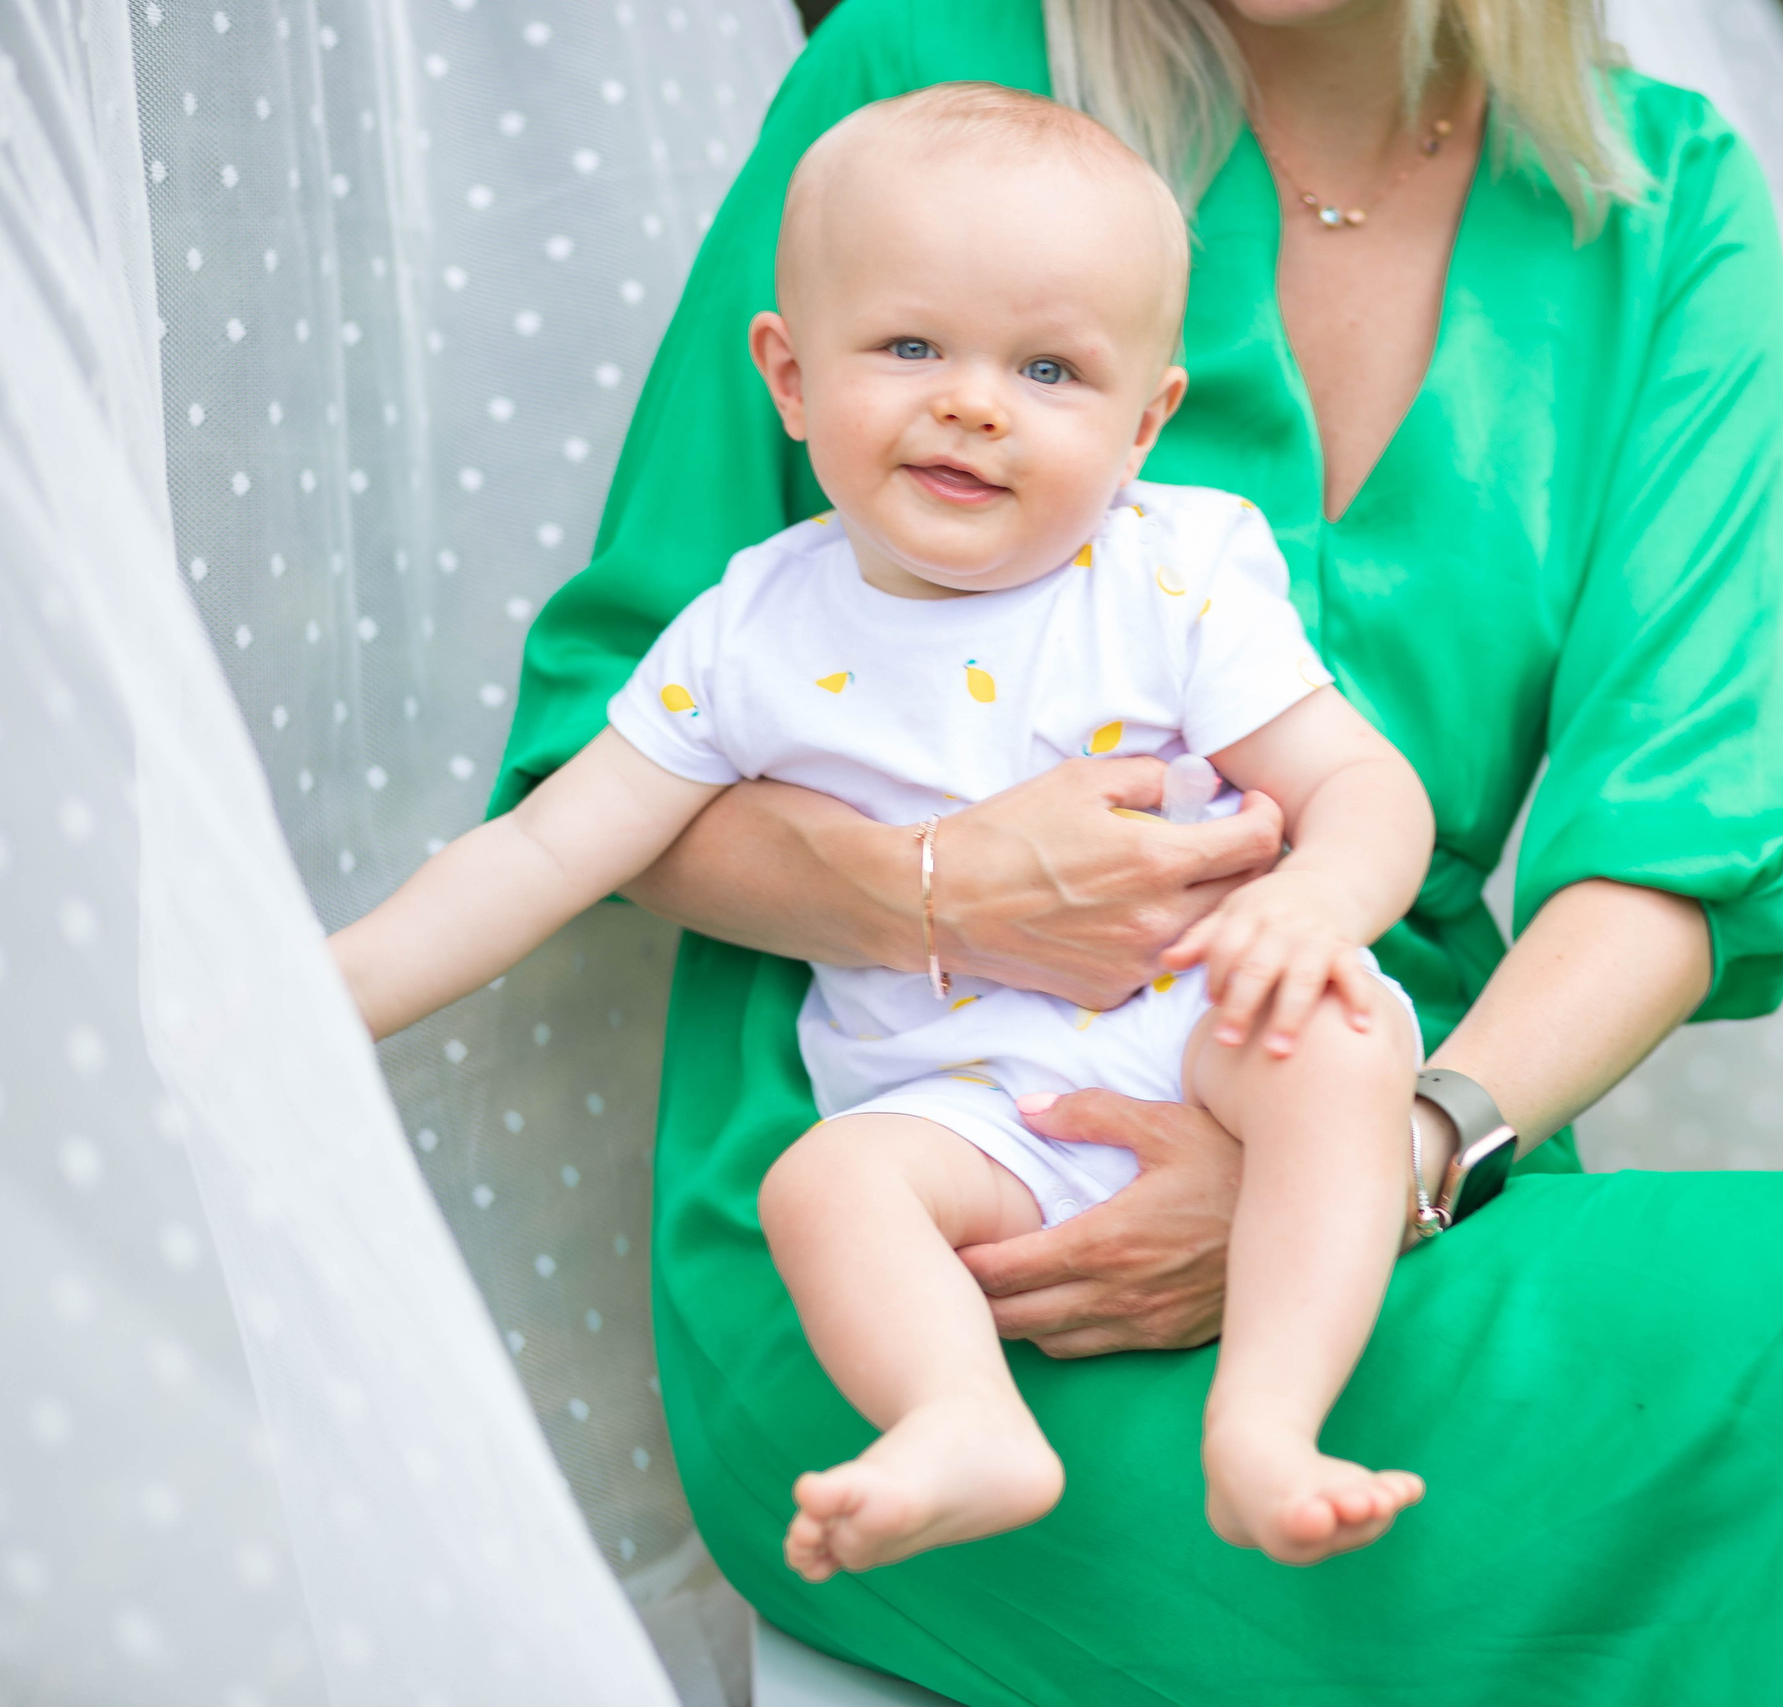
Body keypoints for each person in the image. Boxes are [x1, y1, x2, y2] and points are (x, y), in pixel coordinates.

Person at [494, 0, 1783, 1699]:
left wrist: (1397, 1159)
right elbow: (600, 756)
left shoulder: (1655, 207)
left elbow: (1674, 850)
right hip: (910, 1247)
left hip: (1383, 1168)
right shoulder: (925, 77)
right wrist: (939, 889)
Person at [335, 84, 1441, 1577]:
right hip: (971, 1114)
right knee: (824, 1185)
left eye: (1050, 368)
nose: (974, 402)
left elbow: (1368, 789)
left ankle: (1268, 1424)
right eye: (912, 346)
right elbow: (540, 854)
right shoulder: (745, 637)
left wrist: (1313, 909)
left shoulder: (1169, 577)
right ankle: (961, 1420)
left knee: (1340, 1046)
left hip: (1204, 1033)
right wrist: (317, 1004)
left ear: (1145, 422)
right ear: (790, 375)